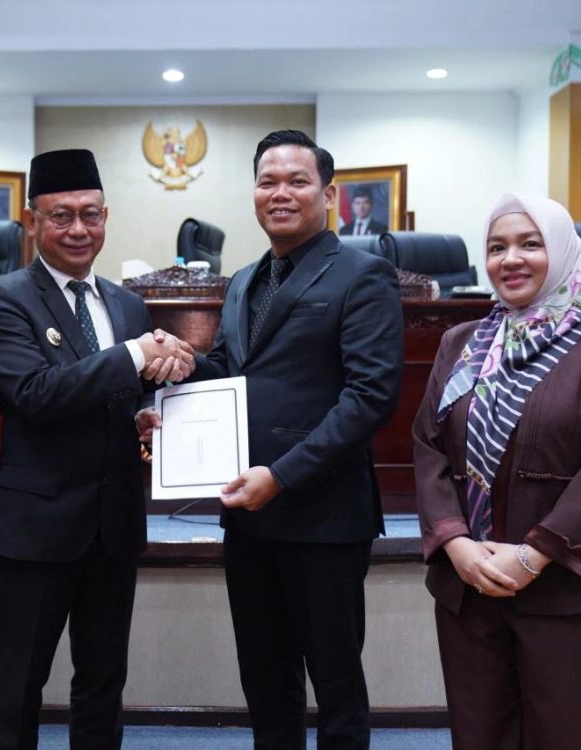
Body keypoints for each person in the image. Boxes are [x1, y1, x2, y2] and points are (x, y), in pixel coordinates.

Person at [148, 130, 404, 748]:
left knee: (336, 686)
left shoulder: (363, 275)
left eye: (297, 181)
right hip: (248, 515)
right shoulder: (243, 280)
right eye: (268, 181)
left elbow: (370, 398)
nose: (280, 193)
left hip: (323, 516)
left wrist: (282, 475)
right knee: (265, 682)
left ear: (329, 194)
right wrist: (179, 367)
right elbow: (232, 372)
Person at [0, 148, 195, 750]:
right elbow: (35, 393)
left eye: (90, 215)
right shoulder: (3, 298)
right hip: (37, 529)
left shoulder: (126, 304)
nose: (78, 229)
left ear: (106, 217)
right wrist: (135, 355)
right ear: (32, 222)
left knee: (102, 684)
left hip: (113, 526)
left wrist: (145, 416)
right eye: (61, 216)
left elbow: (120, 396)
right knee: (19, 685)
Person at [412, 193, 581, 749]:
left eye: (530, 244)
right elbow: (428, 447)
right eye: (497, 248)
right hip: (471, 586)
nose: (510, 259)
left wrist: (532, 555)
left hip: (566, 588)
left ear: (561, 251)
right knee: (480, 737)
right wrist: (456, 544)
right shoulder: (460, 343)